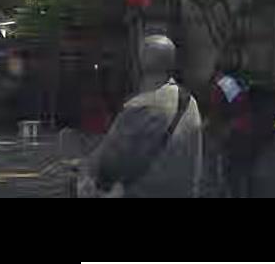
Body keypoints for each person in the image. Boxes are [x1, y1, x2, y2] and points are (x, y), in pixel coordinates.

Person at [81, 35, 204, 197]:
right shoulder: (190, 102)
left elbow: (108, 162)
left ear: (140, 63)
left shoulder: (140, 106)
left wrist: (87, 171)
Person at [208, 61, 258, 198]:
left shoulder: (223, 85)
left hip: (235, 133)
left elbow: (220, 111)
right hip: (243, 131)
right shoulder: (230, 84)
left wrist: (218, 128)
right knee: (241, 171)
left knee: (231, 172)